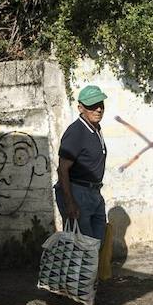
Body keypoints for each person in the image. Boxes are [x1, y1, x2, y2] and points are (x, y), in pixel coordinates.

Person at [55, 85, 108, 241]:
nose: (98, 109)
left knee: (97, 244)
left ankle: (96, 266)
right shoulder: (76, 132)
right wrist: (70, 202)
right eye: (92, 106)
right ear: (81, 108)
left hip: (94, 193)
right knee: (83, 247)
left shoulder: (95, 128)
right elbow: (62, 169)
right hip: (78, 193)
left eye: (101, 105)